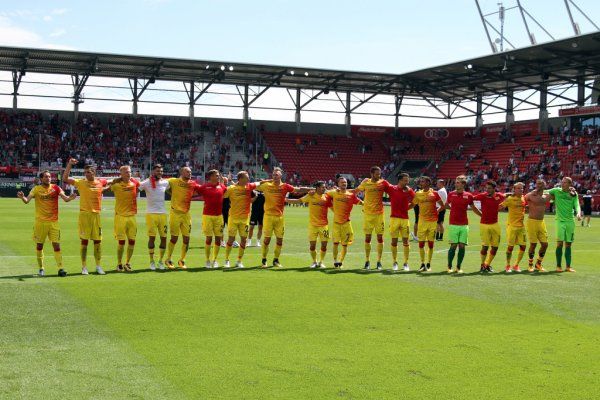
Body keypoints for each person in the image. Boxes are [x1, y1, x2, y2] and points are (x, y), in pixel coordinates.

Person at [17, 170, 76, 277]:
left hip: (54, 222)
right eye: (46, 177)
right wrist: (22, 197)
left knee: (57, 246)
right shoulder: (36, 189)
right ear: (41, 179)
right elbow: (27, 201)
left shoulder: (56, 188)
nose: (48, 178)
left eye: (49, 177)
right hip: (40, 223)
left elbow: (65, 199)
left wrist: (70, 198)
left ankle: (61, 268)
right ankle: (41, 268)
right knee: (39, 246)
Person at [256, 167, 310, 268]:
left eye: (276, 175)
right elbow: (254, 186)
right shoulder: (266, 186)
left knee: (280, 240)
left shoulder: (285, 186)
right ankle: (264, 260)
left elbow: (298, 190)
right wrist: (267, 180)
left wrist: (312, 189)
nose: (274, 176)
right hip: (268, 217)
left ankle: (276, 260)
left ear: (281, 175)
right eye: (273, 175)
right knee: (266, 240)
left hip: (280, 217)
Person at [63, 158, 107, 275]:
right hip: (84, 215)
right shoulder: (81, 182)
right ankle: (84, 267)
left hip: (96, 215)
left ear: (94, 173)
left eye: (89, 172)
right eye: (86, 172)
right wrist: (69, 165)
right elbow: (65, 179)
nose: (87, 174)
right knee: (84, 242)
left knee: (98, 242)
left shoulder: (101, 182)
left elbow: (112, 182)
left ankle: (98, 266)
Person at [287, 181, 333, 268]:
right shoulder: (311, 195)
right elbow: (299, 201)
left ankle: (321, 262)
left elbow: (333, 207)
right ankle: (314, 262)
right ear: (318, 188)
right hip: (313, 226)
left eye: (324, 187)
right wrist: (286, 200)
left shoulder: (327, 197)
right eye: (323, 187)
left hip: (324, 226)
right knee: (312, 245)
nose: (324, 188)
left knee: (324, 245)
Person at [106, 166, 140, 272]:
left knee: (132, 241)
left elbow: (142, 187)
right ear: (121, 174)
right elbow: (104, 186)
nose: (128, 174)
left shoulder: (134, 183)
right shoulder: (116, 184)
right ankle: (119, 263)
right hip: (120, 217)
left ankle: (128, 263)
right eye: (126, 172)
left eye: (129, 172)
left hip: (132, 217)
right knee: (121, 242)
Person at [165, 166, 198, 270]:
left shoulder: (193, 183)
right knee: (174, 238)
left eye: (190, 172)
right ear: (181, 172)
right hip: (175, 213)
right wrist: (171, 193)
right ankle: (168, 259)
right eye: (187, 172)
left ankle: (182, 260)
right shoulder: (173, 181)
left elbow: (201, 190)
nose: (190, 173)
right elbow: (161, 183)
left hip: (186, 215)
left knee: (187, 239)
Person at [355, 166, 388, 270]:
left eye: (380, 174)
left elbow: (394, 189)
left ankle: (379, 261)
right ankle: (367, 261)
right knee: (367, 238)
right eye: (377, 174)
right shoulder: (365, 182)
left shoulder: (383, 182)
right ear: (372, 174)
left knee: (380, 238)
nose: (379, 175)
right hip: (368, 214)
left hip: (379, 215)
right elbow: (355, 191)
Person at [445, 175, 480, 273]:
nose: (456, 184)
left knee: (462, 246)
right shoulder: (451, 194)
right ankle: (449, 266)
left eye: (458, 182)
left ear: (463, 184)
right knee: (453, 245)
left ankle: (459, 267)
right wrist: (453, 209)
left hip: (464, 224)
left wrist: (482, 215)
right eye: (456, 182)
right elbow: (446, 205)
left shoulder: (468, 195)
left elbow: (473, 208)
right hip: (453, 224)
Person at [326, 177, 362, 269]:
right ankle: (335, 260)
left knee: (344, 245)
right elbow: (324, 193)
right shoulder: (334, 192)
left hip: (346, 223)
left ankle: (341, 261)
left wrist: (367, 205)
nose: (344, 184)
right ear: (338, 184)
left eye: (345, 182)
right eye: (342, 182)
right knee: (335, 243)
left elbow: (359, 202)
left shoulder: (350, 195)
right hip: (336, 224)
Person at [223, 171, 257, 268]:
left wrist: (271, 180)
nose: (249, 179)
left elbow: (260, 183)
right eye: (247, 177)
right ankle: (226, 260)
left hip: (244, 218)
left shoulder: (249, 187)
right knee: (231, 239)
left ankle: (239, 261)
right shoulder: (231, 189)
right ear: (240, 179)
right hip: (233, 218)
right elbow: (222, 195)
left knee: (243, 240)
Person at [547, 177, 582, 272]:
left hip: (570, 221)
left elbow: (577, 204)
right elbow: (545, 191)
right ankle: (558, 266)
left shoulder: (573, 194)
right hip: (560, 221)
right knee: (559, 243)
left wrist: (578, 213)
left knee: (568, 244)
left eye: (565, 182)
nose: (562, 184)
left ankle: (568, 266)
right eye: (562, 182)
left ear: (569, 184)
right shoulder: (556, 191)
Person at [139, 164, 169, 271]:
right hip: (151, 214)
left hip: (163, 214)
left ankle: (160, 261)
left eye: (161, 171)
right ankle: (151, 261)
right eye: (157, 171)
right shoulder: (147, 182)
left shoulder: (165, 182)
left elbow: (171, 188)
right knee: (152, 238)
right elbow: (137, 187)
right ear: (153, 172)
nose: (159, 173)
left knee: (164, 238)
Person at [196, 170, 228, 269]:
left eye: (218, 175)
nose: (218, 177)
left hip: (219, 216)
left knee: (218, 238)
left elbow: (229, 192)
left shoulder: (222, 187)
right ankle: (207, 260)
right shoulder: (204, 187)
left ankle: (214, 260)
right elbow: (192, 191)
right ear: (210, 177)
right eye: (216, 175)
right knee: (209, 238)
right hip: (207, 216)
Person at [412, 176, 445, 272]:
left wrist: (436, 212)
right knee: (421, 244)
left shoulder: (434, 194)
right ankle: (422, 263)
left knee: (431, 244)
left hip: (432, 222)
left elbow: (442, 206)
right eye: (421, 181)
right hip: (422, 222)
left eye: (423, 181)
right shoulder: (418, 194)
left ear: (428, 183)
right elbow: (413, 204)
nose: (421, 183)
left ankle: (429, 263)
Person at [384, 173, 415, 271]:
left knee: (406, 242)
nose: (407, 182)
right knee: (394, 241)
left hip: (405, 219)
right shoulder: (392, 189)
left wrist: (407, 209)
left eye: (408, 180)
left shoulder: (409, 190)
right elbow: (381, 186)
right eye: (405, 180)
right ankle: (395, 262)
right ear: (400, 180)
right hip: (394, 219)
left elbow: (416, 201)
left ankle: (406, 263)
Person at [473, 180, 505, 273]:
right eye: (486, 188)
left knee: (495, 247)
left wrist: (502, 206)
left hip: (495, 225)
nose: (487, 190)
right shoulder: (482, 196)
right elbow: (471, 199)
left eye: (489, 188)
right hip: (484, 225)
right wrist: (479, 213)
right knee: (485, 246)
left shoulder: (499, 196)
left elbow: (507, 196)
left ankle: (487, 264)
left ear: (494, 189)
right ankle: (482, 265)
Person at [499, 182, 527, 273]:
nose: (521, 190)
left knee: (523, 246)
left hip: (521, 227)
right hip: (512, 227)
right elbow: (500, 207)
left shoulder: (523, 198)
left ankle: (516, 265)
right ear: (514, 189)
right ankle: (508, 265)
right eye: (518, 188)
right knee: (510, 247)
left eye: (522, 188)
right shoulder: (510, 199)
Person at [524, 179, 551, 272]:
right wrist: (526, 207)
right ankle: (530, 264)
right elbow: (522, 200)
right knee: (533, 244)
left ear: (544, 185)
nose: (538, 185)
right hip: (532, 222)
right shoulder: (531, 194)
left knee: (545, 244)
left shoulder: (547, 195)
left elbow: (559, 191)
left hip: (541, 222)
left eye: (541, 184)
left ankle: (538, 263)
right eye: (537, 183)